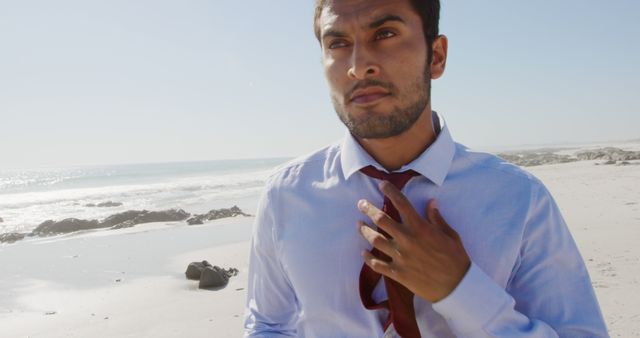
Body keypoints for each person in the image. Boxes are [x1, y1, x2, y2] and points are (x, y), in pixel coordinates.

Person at [243, 0, 608, 337]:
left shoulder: (520, 199)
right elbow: (267, 325)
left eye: (384, 34)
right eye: (337, 43)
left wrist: (461, 290)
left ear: (436, 56)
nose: (358, 66)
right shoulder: (286, 195)